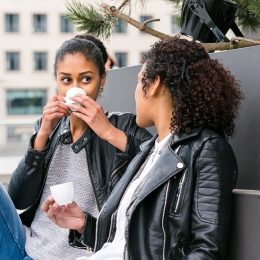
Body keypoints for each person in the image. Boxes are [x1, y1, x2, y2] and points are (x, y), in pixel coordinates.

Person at [42, 35, 244, 259]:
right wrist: (83, 225)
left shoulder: (206, 149)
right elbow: (124, 243)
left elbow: (208, 252)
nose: (135, 92)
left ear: (155, 83)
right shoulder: (149, 150)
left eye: (139, 81)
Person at [1, 37, 151, 260]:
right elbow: (17, 199)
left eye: (86, 79)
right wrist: (41, 136)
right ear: (57, 82)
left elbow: (156, 167)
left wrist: (107, 131)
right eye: (66, 80)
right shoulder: (48, 129)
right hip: (27, 247)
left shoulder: (125, 126)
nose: (75, 89)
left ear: (102, 79)